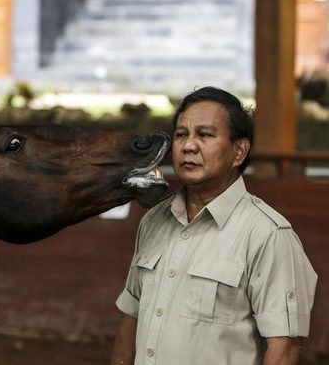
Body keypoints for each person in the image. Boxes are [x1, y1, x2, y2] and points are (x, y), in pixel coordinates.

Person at [111, 86, 317, 365]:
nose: (188, 145)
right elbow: (131, 318)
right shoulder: (154, 220)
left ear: (239, 151)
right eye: (181, 134)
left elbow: (285, 348)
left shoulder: (268, 235)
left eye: (205, 135)